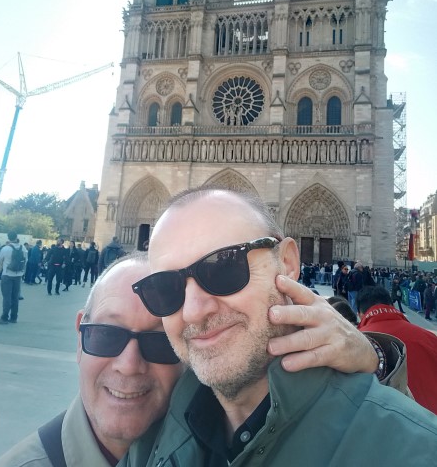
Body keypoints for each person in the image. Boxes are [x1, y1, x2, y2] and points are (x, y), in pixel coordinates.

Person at [125, 188, 437, 466]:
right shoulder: (149, 434)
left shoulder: (415, 450)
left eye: (224, 267)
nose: (193, 311)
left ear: (287, 262)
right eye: (164, 287)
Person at [0, 254, 384, 467]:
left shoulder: (224, 434)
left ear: (192, 352)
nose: (128, 364)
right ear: (80, 336)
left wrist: (374, 359)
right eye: (107, 335)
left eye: (160, 342)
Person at [357, 285, 437, 414]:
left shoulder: (357, 344)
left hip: (393, 421)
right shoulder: (429, 337)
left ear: (360, 314)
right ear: (392, 306)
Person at [0, 232, 27, 324]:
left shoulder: (6, 248)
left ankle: (4, 318)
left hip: (7, 275)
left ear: (8, 238)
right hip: (18, 275)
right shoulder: (23, 248)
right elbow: (26, 260)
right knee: (15, 297)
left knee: (6, 297)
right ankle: (14, 317)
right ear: (16, 237)